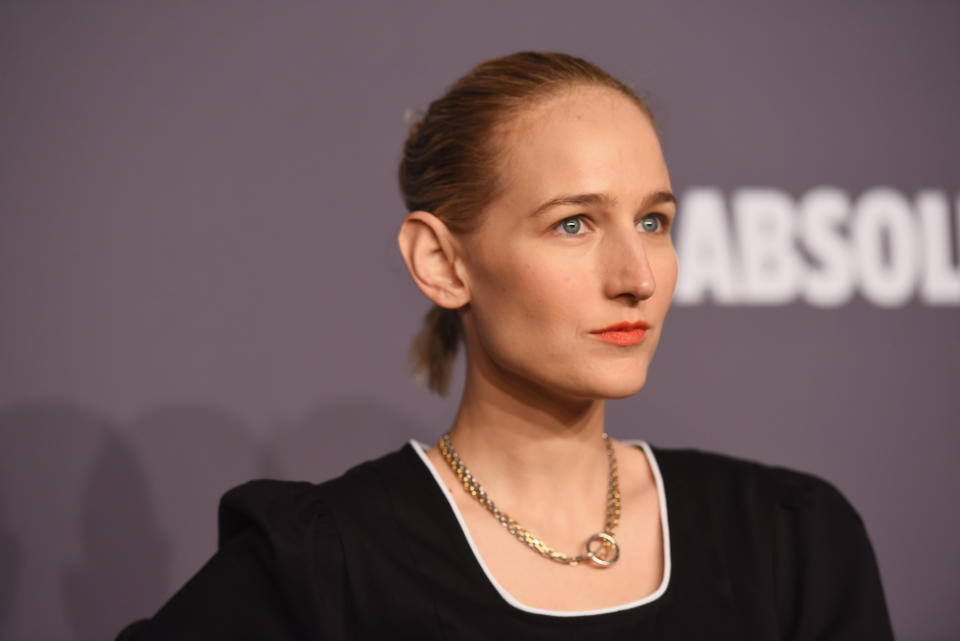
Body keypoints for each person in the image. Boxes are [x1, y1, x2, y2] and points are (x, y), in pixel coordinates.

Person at [116, 51, 893, 640]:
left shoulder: (791, 540)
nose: (636, 278)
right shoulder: (327, 565)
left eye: (653, 221)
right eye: (573, 224)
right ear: (442, 263)